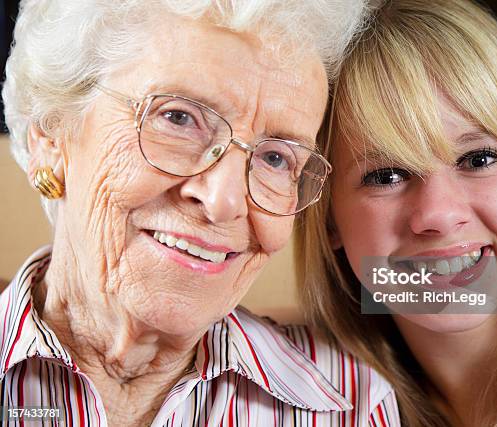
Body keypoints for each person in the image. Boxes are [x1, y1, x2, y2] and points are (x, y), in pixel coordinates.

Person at [1, 0, 400, 425]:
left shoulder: (350, 404)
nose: (224, 201)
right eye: (178, 118)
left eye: (276, 159)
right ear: (51, 133)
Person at [295, 0, 497, 425]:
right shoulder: (301, 394)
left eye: (477, 159)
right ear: (328, 217)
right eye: (386, 175)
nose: (439, 215)